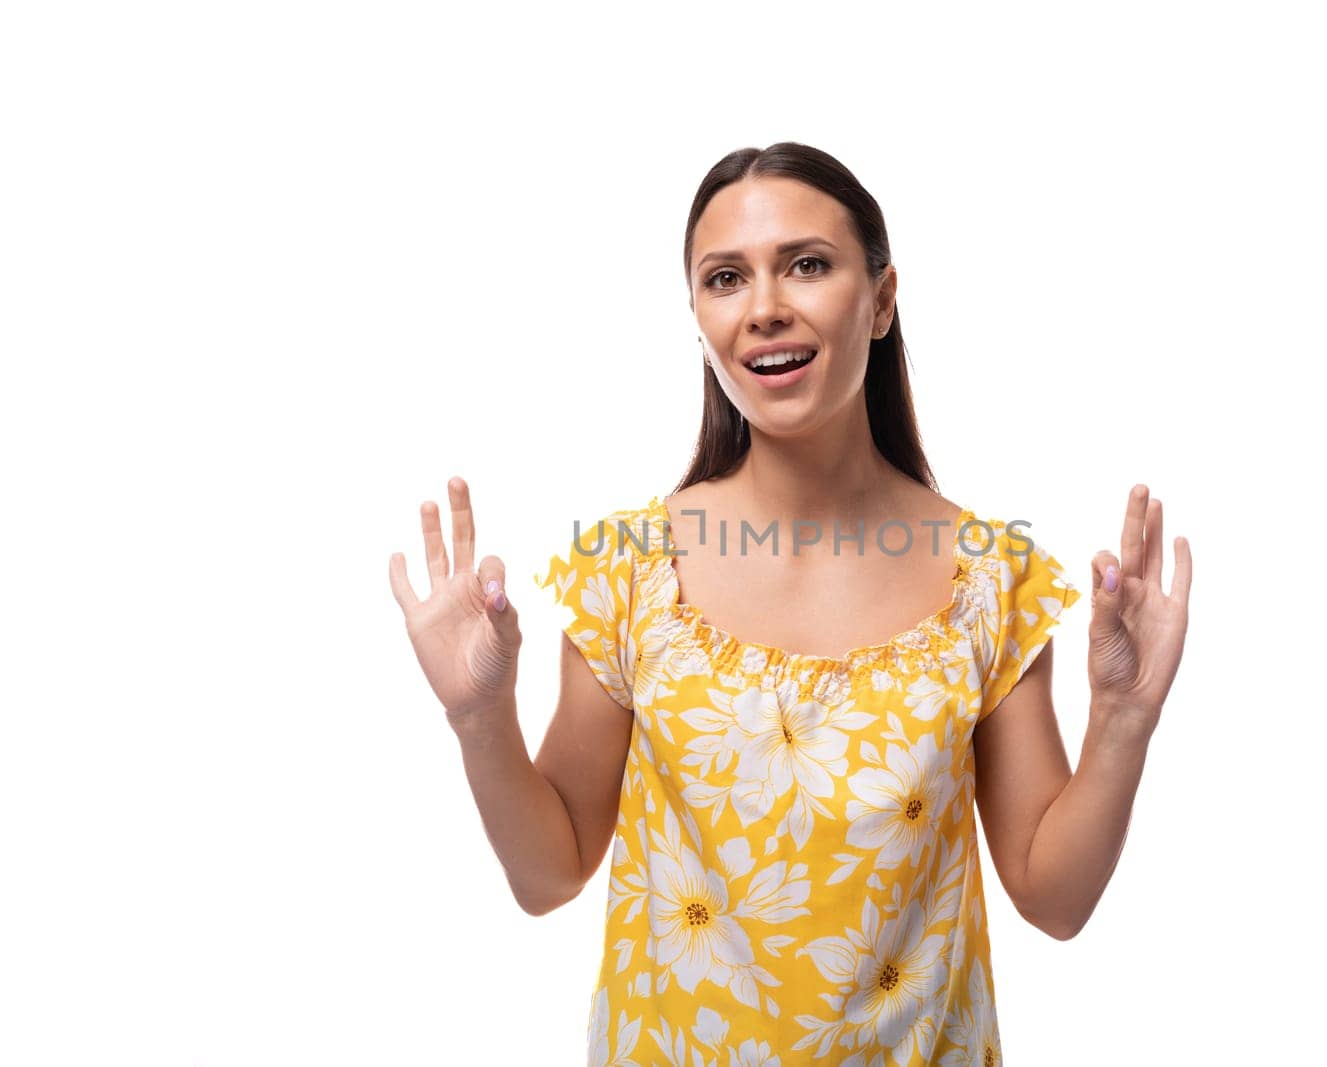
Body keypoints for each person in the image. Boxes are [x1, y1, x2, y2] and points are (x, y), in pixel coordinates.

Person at [389, 141, 1193, 1065]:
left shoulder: (991, 579)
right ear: (699, 318)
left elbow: (1055, 898)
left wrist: (1125, 719)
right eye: (726, 278)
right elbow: (548, 872)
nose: (765, 307)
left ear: (883, 298)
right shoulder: (626, 571)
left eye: (807, 265)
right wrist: (478, 716)